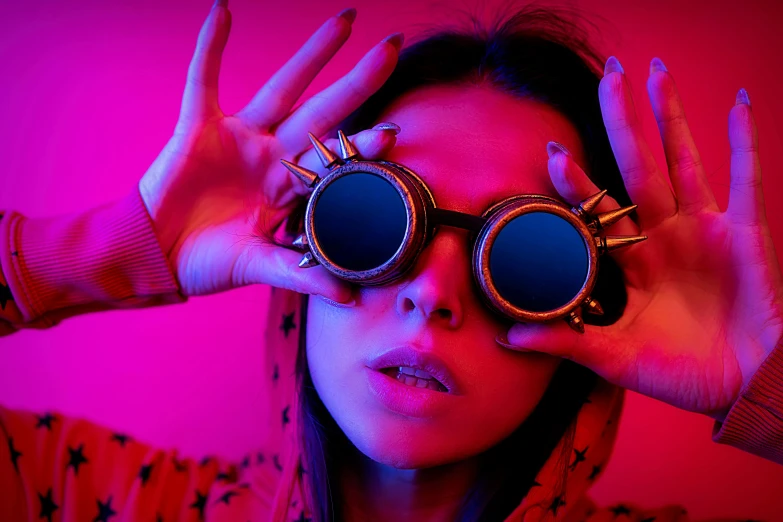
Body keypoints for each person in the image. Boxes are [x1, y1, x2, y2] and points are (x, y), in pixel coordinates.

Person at [1, 1, 781, 521]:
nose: (433, 294)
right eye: (371, 220)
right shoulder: (85, 495)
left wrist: (760, 385)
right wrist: (114, 248)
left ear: (594, 305)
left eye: (529, 257)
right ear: (295, 244)